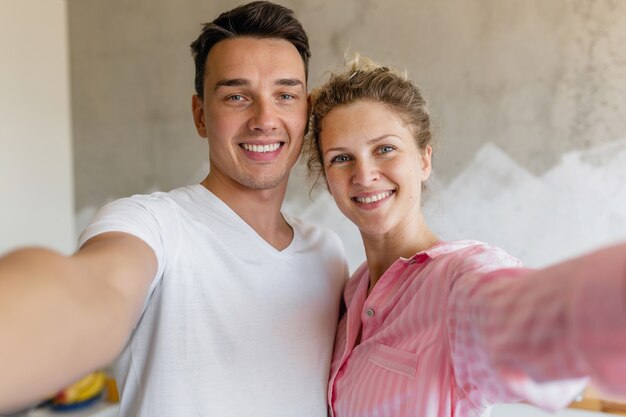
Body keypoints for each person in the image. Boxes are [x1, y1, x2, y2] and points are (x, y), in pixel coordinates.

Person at [0, 2, 347, 416]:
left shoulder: (329, 253)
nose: (264, 119)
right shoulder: (151, 225)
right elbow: (96, 289)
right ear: (201, 115)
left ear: (305, 112)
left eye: (285, 95)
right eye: (237, 96)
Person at [305, 57, 626, 417]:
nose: (364, 175)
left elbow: (544, 316)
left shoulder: (461, 280)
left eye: (385, 149)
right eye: (342, 158)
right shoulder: (349, 294)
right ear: (326, 177)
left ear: (424, 160)